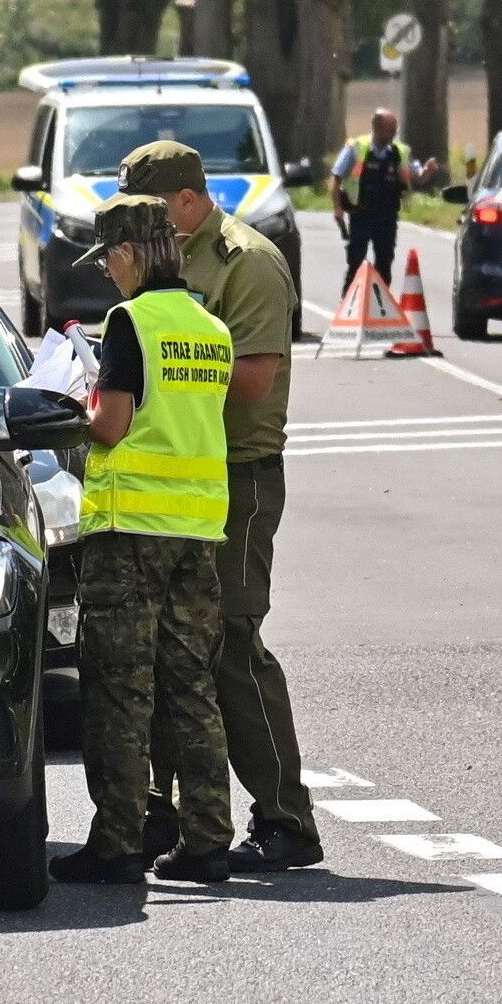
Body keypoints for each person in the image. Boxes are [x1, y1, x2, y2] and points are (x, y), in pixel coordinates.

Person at [119, 140, 322, 871]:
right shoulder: (160, 257)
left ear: (187, 198)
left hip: (239, 476)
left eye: (147, 209)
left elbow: (255, 380)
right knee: (166, 643)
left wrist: (159, 367)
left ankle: (285, 818)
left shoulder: (248, 262)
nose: (135, 224)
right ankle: (164, 814)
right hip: (177, 478)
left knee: (232, 641)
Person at [49, 194, 241, 886]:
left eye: (108, 259)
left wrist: (73, 405)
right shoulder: (209, 326)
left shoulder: (129, 324)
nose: (107, 272)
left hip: (130, 531)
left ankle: (118, 842)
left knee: (119, 689)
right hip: (197, 529)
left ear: (129, 252)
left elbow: (113, 427)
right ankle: (208, 840)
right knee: (191, 686)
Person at [329, 107, 429, 294]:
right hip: (361, 214)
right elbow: (336, 177)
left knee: (385, 263)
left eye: (395, 130)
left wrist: (426, 171)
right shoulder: (357, 148)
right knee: (356, 261)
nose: (393, 134)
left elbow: (418, 175)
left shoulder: (400, 152)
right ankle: (349, 302)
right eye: (390, 130)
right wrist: (338, 208)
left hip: (387, 216)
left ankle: (378, 304)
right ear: (377, 128)